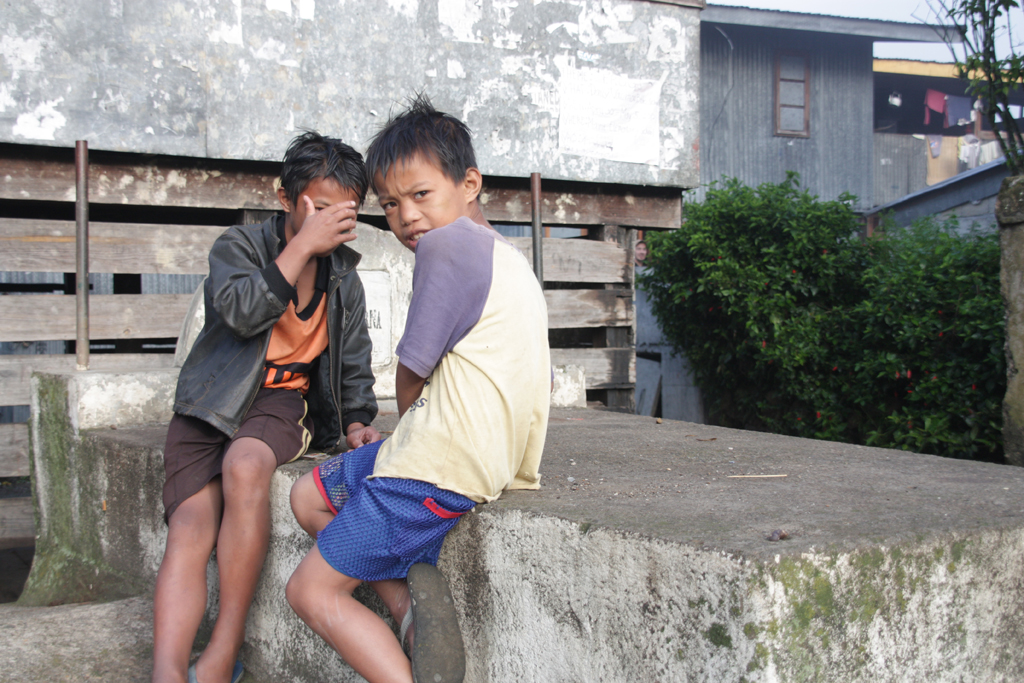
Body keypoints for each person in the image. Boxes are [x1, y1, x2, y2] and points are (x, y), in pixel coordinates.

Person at [286, 95, 551, 683]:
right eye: (390, 204)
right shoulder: (506, 256)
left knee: (308, 592)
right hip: (472, 455)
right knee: (309, 495)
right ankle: (410, 614)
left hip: (435, 466)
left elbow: (412, 373)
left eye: (421, 195)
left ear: (469, 183)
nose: (406, 217)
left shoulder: (447, 245)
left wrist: (408, 428)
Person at [151, 131, 381, 683]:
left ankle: (222, 650)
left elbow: (352, 360)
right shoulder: (237, 245)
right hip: (212, 399)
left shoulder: (345, 277)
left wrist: (357, 421)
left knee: (247, 464)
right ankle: (165, 673)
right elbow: (238, 313)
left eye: (343, 213)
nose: (331, 223)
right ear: (285, 198)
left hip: (279, 401)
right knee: (189, 523)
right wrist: (299, 248)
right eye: (319, 209)